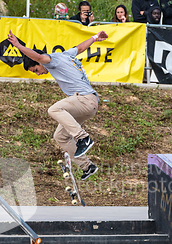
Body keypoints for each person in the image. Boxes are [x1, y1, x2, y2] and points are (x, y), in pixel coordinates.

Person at [7, 30, 109, 180]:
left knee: (54, 109)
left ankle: (83, 138)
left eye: (36, 70)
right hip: (86, 104)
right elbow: (80, 48)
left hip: (85, 99)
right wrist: (94, 38)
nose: (38, 73)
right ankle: (87, 166)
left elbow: (38, 56)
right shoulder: (66, 55)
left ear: (39, 63)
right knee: (60, 136)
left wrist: (18, 46)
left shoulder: (51, 60)